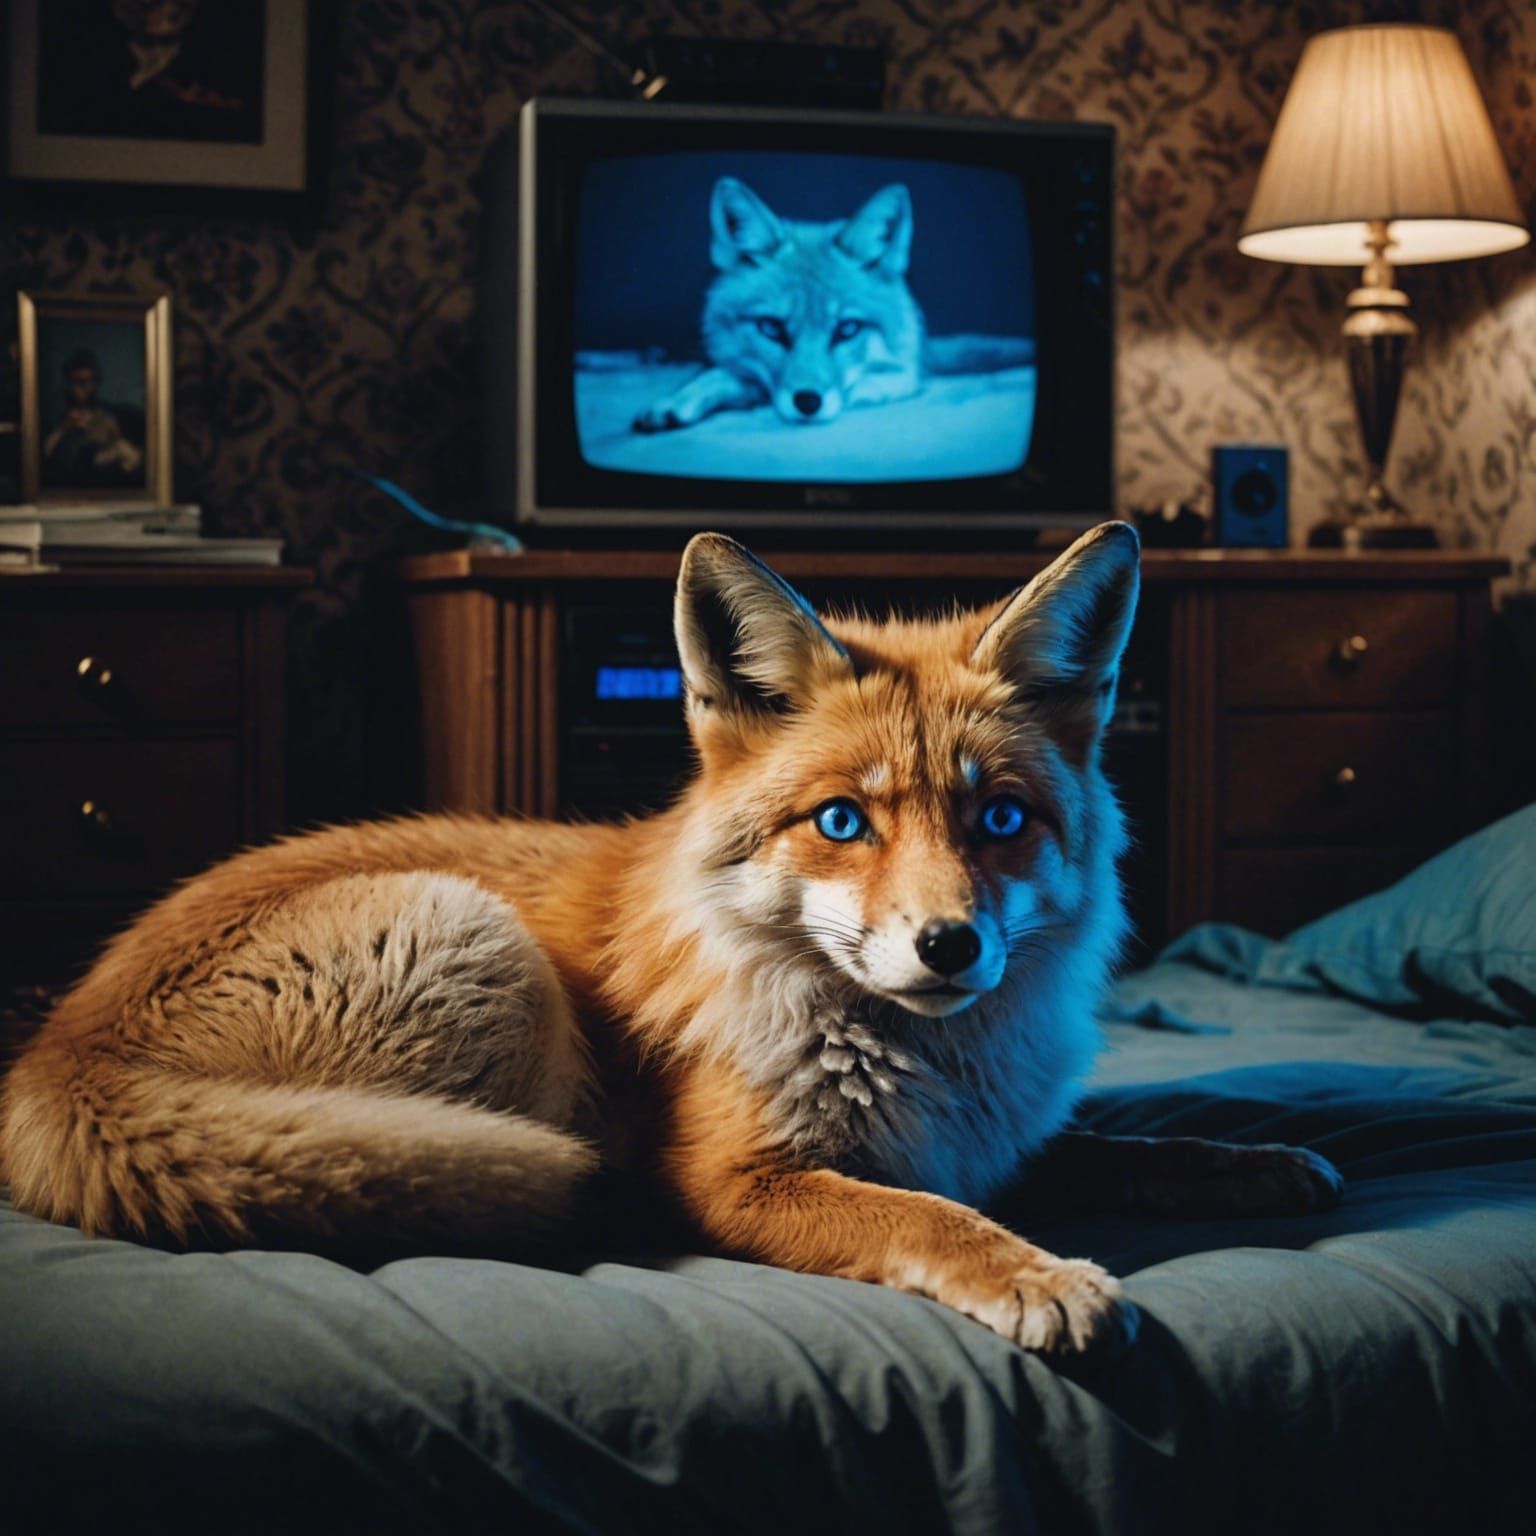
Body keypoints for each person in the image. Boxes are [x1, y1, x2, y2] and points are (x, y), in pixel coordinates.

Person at [41, 348, 145, 489]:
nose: (87, 387)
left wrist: (115, 436)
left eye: (92, 381)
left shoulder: (114, 413)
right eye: (80, 382)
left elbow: (132, 456)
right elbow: (46, 455)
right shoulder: (59, 419)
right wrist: (63, 429)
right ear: (69, 384)